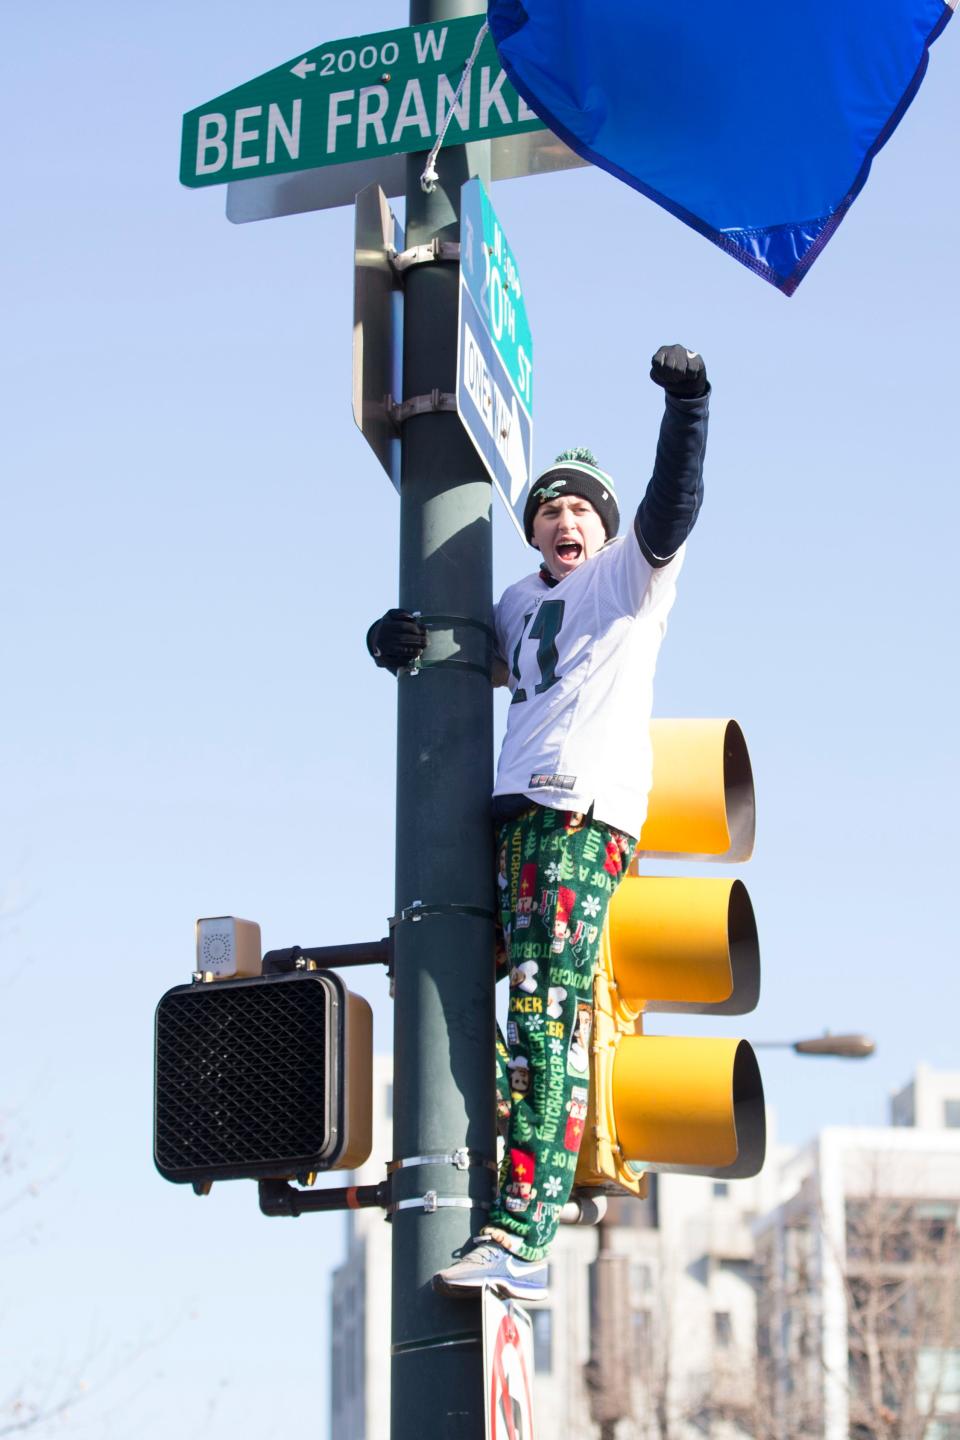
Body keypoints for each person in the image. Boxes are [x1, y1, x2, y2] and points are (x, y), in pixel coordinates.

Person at [366, 344, 710, 1301]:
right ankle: (509, 1200)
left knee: (545, 1015)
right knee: (512, 1016)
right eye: (551, 510)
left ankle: (524, 1229)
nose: (567, 521)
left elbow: (671, 505)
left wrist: (689, 406)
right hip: (514, 819)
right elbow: (466, 656)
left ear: (603, 530)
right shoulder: (522, 602)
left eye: (581, 510)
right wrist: (400, 641)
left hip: (579, 813)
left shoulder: (626, 584)